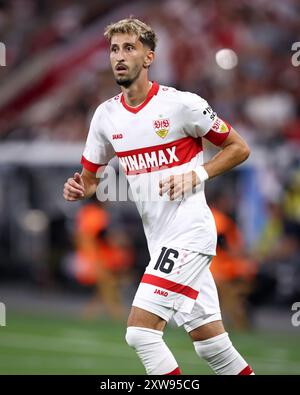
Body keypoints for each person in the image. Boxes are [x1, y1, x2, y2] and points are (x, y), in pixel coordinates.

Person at [63, 18, 254, 375]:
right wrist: (80, 188)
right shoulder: (105, 116)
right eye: (114, 49)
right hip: (160, 239)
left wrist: (196, 173)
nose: (119, 56)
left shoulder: (182, 105)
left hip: (190, 233)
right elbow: (90, 179)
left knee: (140, 333)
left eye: (129, 48)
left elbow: (238, 148)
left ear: (148, 57)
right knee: (213, 347)